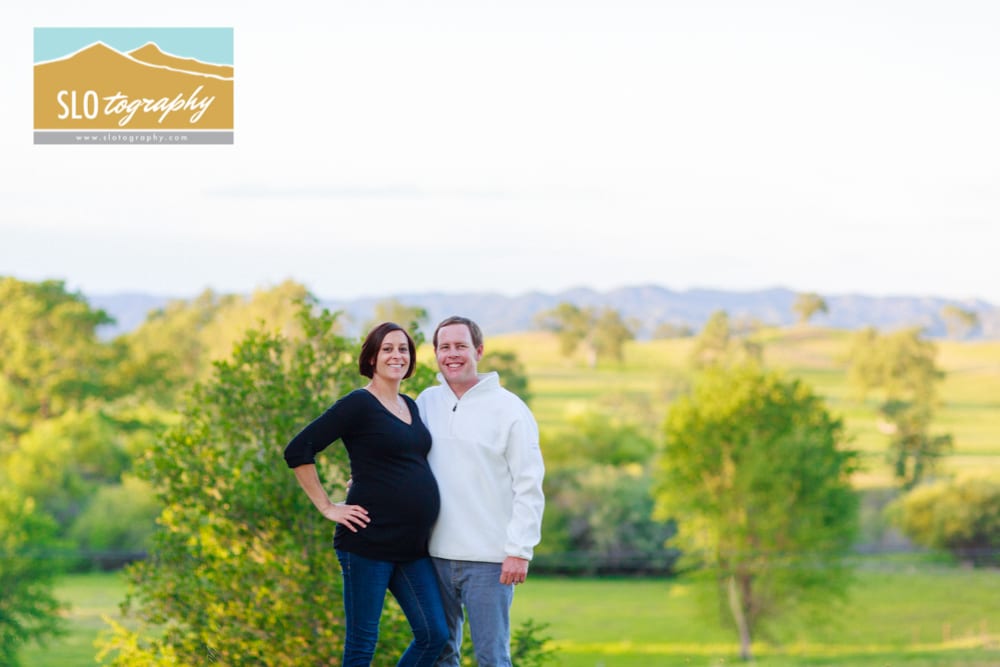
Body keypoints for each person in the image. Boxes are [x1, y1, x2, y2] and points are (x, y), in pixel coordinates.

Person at [284, 322, 448, 667]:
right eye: (387, 348)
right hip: (367, 543)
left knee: (435, 635)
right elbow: (298, 450)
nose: (396, 355)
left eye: (403, 349)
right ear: (371, 357)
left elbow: (399, 462)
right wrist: (327, 507)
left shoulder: (410, 405)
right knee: (362, 645)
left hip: (412, 547)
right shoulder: (358, 404)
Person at [416, 316, 545, 667]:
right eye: (445, 347)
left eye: (461, 346)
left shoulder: (510, 410)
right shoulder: (426, 402)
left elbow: (529, 485)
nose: (452, 354)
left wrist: (520, 550)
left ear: (479, 351)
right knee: (441, 654)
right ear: (436, 353)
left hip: (491, 561)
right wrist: (365, 480)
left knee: (491, 658)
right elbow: (400, 456)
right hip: (434, 555)